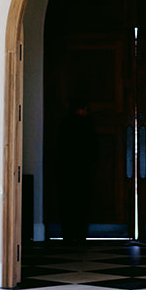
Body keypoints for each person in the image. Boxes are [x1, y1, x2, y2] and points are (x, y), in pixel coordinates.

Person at [54, 99, 97, 244]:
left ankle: (67, 234)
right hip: (82, 169)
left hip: (66, 169)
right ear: (81, 109)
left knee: (66, 202)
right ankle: (80, 234)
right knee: (82, 202)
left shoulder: (64, 124)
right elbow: (93, 147)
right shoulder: (86, 125)